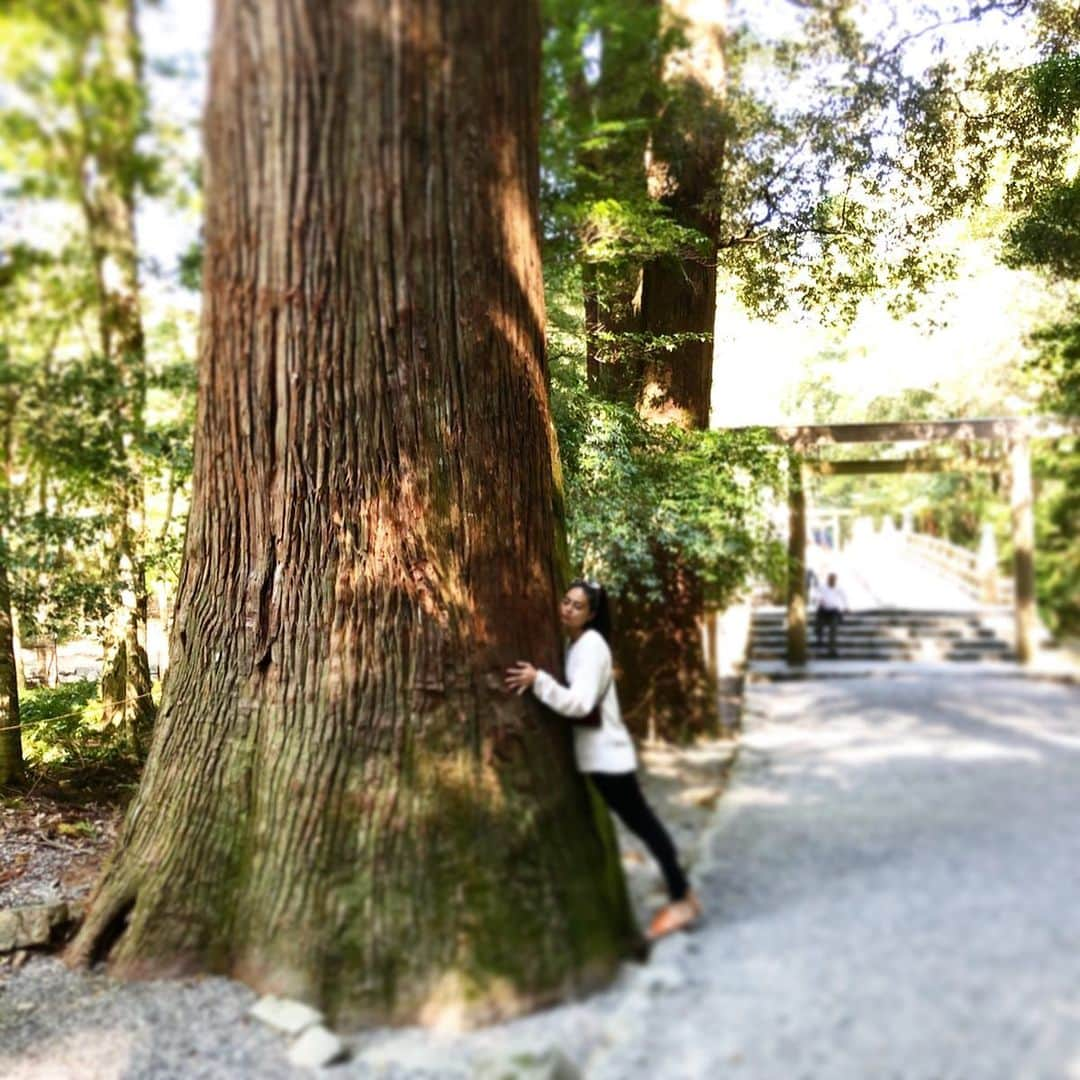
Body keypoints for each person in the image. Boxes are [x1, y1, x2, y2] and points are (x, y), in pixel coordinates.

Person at [505, 580, 701, 940]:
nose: (567, 609)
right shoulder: (575, 643)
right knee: (641, 821)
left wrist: (538, 681)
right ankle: (683, 893)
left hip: (608, 758)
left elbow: (580, 703)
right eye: (565, 601)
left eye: (577, 606)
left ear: (592, 614)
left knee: (644, 823)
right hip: (597, 755)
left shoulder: (591, 646)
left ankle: (681, 898)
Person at [815, 571, 848, 657]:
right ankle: (819, 640)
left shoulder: (839, 588)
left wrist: (846, 607)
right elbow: (816, 594)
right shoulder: (822, 587)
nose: (832, 581)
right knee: (819, 626)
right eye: (830, 579)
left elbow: (844, 597)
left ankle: (832, 650)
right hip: (823, 610)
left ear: (836, 580)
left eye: (833, 580)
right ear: (828, 579)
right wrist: (819, 599)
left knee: (833, 630)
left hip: (834, 611)